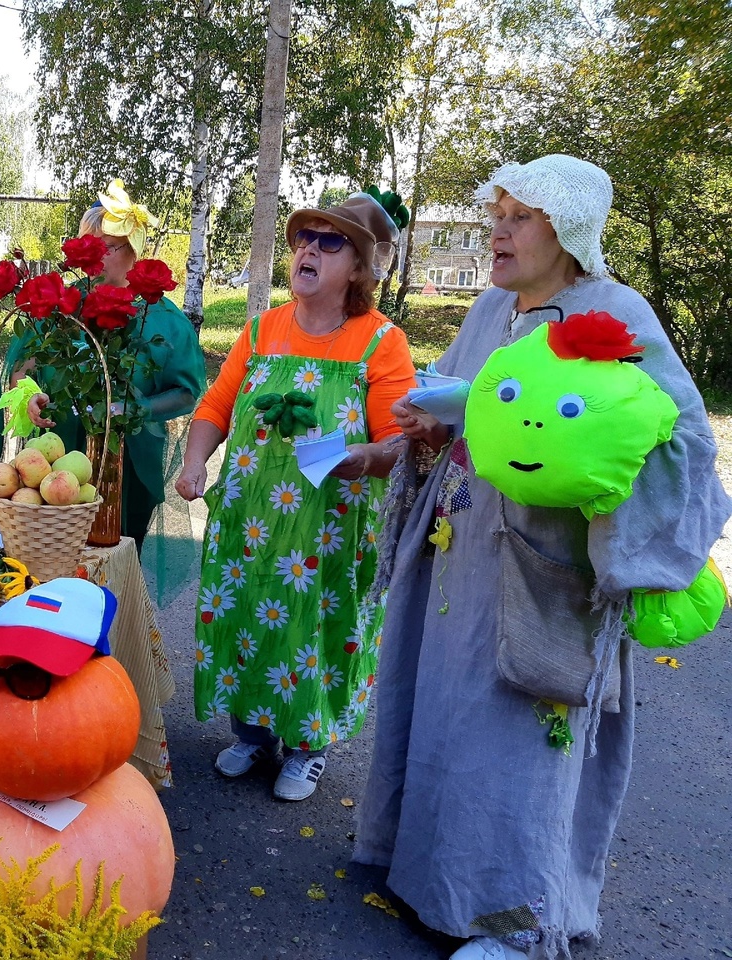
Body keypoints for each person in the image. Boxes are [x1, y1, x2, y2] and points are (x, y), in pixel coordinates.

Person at [352, 155, 731, 959]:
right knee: (449, 716)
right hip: (460, 556)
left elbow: (684, 441)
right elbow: (464, 406)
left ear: (569, 231)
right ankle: (430, 878)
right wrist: (432, 423)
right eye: (498, 212)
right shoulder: (492, 308)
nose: (497, 230)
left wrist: (566, 445)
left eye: (519, 216)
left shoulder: (616, 313)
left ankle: (515, 926)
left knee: (518, 742)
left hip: (548, 575)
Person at [175, 192, 417, 801]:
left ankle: (308, 747)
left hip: (328, 529)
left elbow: (399, 441)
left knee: (316, 629)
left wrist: (366, 457)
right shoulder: (260, 330)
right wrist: (194, 460)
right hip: (250, 525)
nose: (309, 247)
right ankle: (252, 734)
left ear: (360, 267)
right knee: (247, 614)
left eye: (329, 240)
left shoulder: (380, 342)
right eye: (303, 236)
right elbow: (216, 405)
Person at [11, 180, 207, 551]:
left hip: (129, 462)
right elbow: (22, 364)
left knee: (117, 555)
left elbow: (187, 391)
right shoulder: (61, 307)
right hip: (57, 457)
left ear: (133, 250)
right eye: (88, 247)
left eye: (107, 248)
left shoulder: (165, 321)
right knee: (54, 554)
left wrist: (138, 408)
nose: (95, 258)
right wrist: (30, 394)